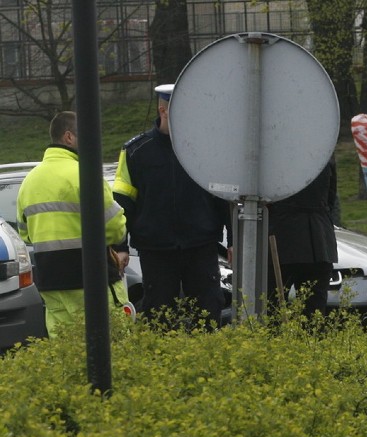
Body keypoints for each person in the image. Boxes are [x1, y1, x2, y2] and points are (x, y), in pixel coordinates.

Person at [113, 84, 232, 328]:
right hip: (156, 249)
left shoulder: (206, 149)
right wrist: (120, 246)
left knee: (209, 310)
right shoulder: (136, 152)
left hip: (200, 245)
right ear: (163, 111)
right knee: (159, 314)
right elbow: (122, 203)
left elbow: (223, 198)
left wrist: (233, 241)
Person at [16, 111, 129, 337]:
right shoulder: (84, 173)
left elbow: (25, 234)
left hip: (50, 281)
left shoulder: (29, 181)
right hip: (90, 277)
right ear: (69, 137)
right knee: (111, 343)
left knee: (66, 352)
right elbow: (115, 225)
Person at [266, 157, 339, 317]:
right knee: (314, 313)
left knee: (272, 311)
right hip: (319, 238)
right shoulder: (322, 154)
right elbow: (331, 199)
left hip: (281, 236)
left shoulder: (274, 156)